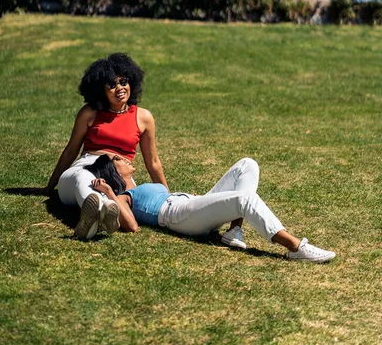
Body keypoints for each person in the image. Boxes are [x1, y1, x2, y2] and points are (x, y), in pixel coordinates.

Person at [84, 154, 336, 263]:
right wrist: (108, 193)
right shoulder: (126, 195)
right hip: (178, 216)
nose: (126, 158)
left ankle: (234, 231)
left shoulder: (140, 186)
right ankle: (294, 247)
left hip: (189, 206)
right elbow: (132, 226)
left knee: (246, 166)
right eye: (118, 160)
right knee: (244, 200)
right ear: (112, 171)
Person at [42, 53, 169, 238]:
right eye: (111, 84)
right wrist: (49, 187)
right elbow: (71, 150)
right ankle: (101, 209)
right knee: (82, 178)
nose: (120, 88)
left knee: (129, 196)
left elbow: (154, 162)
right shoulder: (89, 113)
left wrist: (167, 196)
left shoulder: (143, 117)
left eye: (124, 82)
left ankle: (101, 212)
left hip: (119, 174)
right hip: (87, 165)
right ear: (101, 90)